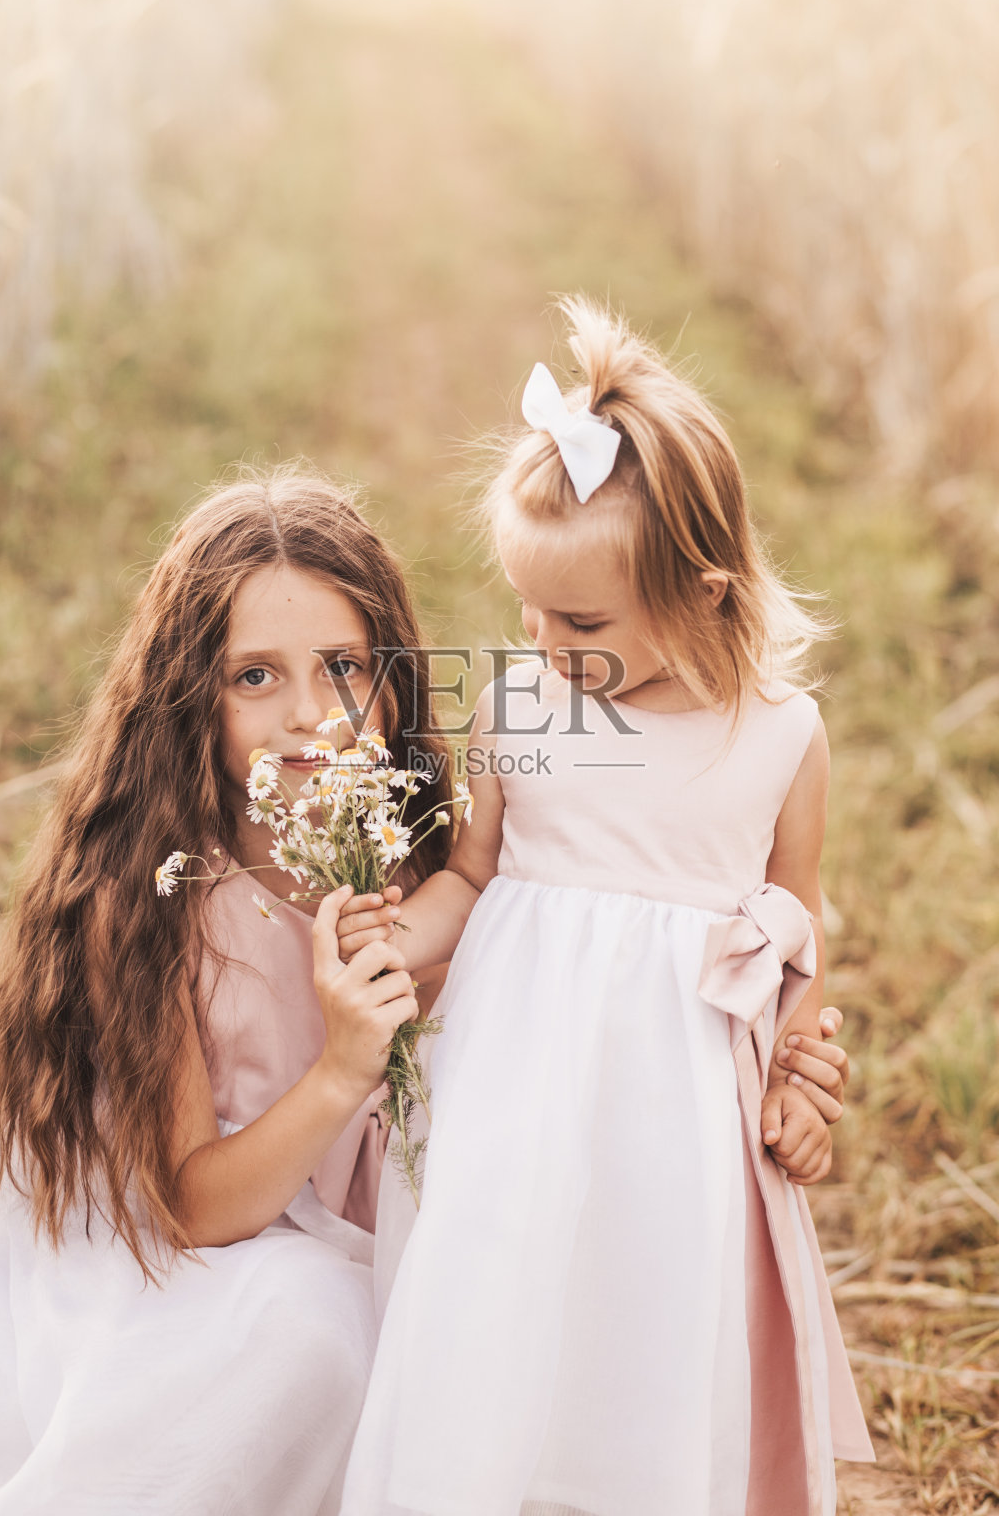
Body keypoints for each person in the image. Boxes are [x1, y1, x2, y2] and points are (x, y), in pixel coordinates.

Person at [337, 300, 874, 1516]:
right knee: (494, 1293)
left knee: (645, 1320)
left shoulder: (781, 736)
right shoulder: (518, 707)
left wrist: (794, 1074)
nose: (538, 641)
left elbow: (793, 915)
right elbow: (469, 879)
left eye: (578, 622)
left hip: (676, 1109)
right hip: (506, 1086)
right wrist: (394, 940)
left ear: (703, 591)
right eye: (525, 610)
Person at [0, 470, 452, 1514]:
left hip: (361, 1212)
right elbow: (189, 1208)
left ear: (394, 681)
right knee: (310, 1329)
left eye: (343, 667)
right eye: (254, 678)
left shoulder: (417, 859)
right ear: (191, 698)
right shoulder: (147, 898)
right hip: (184, 1229)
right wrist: (339, 1067)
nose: (310, 715)